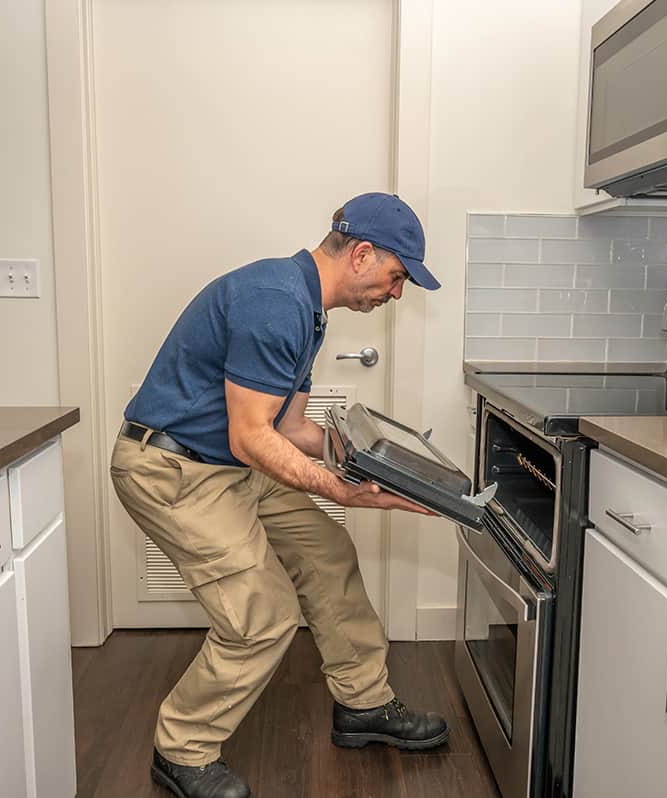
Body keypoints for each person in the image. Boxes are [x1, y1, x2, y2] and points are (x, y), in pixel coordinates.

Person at [110, 193, 448, 798]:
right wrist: (342, 491)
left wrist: (375, 467)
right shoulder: (276, 302)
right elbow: (250, 437)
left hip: (226, 463)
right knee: (261, 615)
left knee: (327, 554)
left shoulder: (307, 311)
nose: (397, 294)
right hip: (171, 469)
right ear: (363, 254)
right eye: (398, 278)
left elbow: (290, 428)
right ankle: (181, 749)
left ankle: (363, 704)